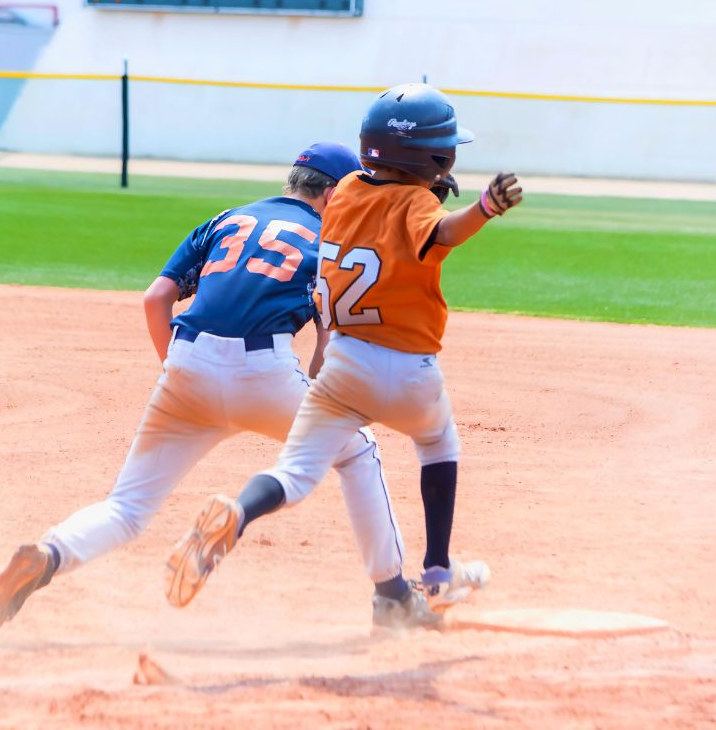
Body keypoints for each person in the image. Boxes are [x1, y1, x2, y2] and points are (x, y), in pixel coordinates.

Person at [0, 142, 437, 644]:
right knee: (357, 452)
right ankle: (392, 597)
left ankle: (48, 555)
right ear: (334, 193)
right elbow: (325, 353)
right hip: (266, 371)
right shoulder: (330, 241)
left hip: (185, 364)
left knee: (126, 509)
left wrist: (182, 372)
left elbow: (157, 299)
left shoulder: (226, 219)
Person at [165, 84, 524, 619]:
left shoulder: (349, 190)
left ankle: (237, 514)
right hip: (408, 371)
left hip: (344, 366)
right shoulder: (419, 203)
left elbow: (386, 212)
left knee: (296, 471)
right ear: (433, 157)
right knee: (437, 443)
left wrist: (424, 183)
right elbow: (442, 232)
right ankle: (438, 572)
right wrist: (485, 207)